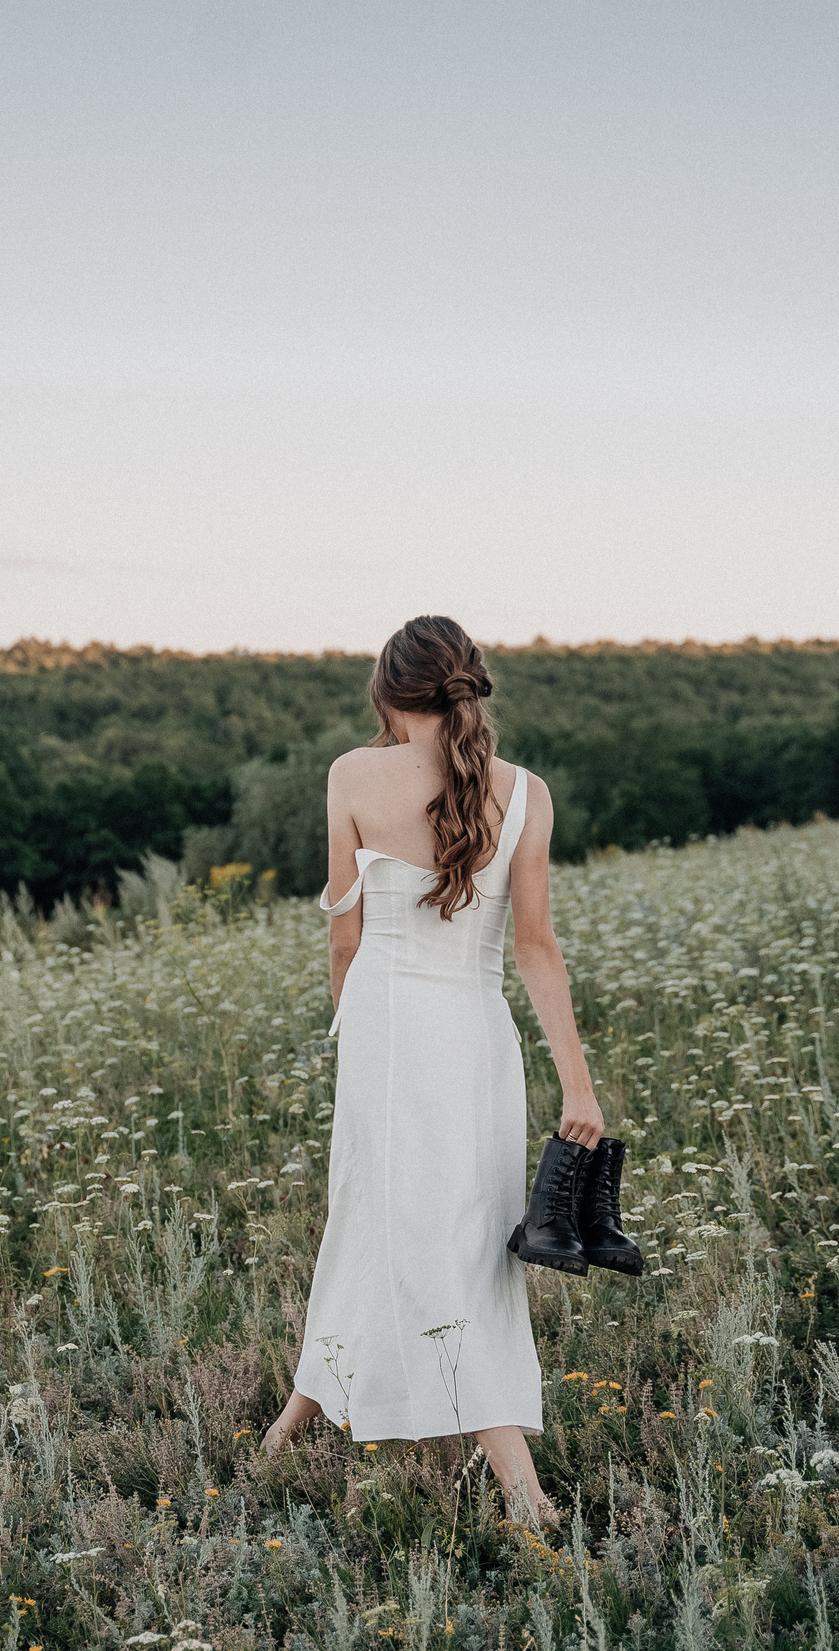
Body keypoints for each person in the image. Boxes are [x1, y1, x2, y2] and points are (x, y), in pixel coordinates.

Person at [259, 615, 640, 1527]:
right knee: (428, 1230)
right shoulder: (528, 793)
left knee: (422, 1237)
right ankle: (291, 1423)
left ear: (391, 695)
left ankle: (524, 1493)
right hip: (478, 1036)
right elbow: (538, 951)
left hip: (387, 1030)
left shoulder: (352, 775)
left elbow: (343, 943)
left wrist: (353, 1031)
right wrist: (576, 1085)